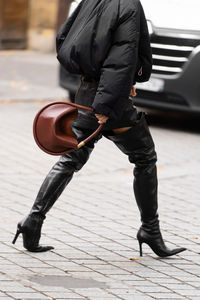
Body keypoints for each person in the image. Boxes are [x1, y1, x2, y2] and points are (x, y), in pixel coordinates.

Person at [12, 0, 186, 257]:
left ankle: (32, 222)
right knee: (145, 157)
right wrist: (106, 104)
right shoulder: (128, 5)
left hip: (89, 90)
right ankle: (150, 230)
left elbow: (65, 38)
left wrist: (119, 84)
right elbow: (120, 59)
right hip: (108, 100)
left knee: (71, 158)